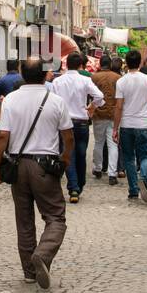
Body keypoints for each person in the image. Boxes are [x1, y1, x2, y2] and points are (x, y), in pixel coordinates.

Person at [0, 57, 73, 288]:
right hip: (45, 166)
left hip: (18, 166)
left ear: (21, 74)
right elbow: (68, 136)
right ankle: (43, 254)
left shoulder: (10, 100)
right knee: (55, 216)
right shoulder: (56, 101)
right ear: (45, 74)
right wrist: (65, 159)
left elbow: (2, 137)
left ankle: (29, 271)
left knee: (24, 220)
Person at [51, 51, 105, 203]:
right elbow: (100, 96)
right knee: (81, 155)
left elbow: (53, 102)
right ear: (81, 64)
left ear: (66, 64)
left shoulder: (58, 81)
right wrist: (92, 106)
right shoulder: (85, 80)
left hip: (64, 123)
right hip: (81, 122)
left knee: (68, 155)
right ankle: (78, 185)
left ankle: (74, 187)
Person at [114, 50, 147, 202]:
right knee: (146, 156)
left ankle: (133, 189)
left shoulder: (121, 81)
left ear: (126, 63)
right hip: (143, 124)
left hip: (127, 125)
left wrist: (115, 128)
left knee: (128, 158)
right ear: (140, 63)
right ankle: (144, 176)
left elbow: (119, 107)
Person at [90, 55, 120, 187]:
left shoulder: (94, 77)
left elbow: (91, 96)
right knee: (113, 144)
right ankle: (112, 173)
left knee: (98, 142)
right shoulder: (117, 78)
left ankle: (97, 168)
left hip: (99, 113)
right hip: (114, 114)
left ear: (100, 64)